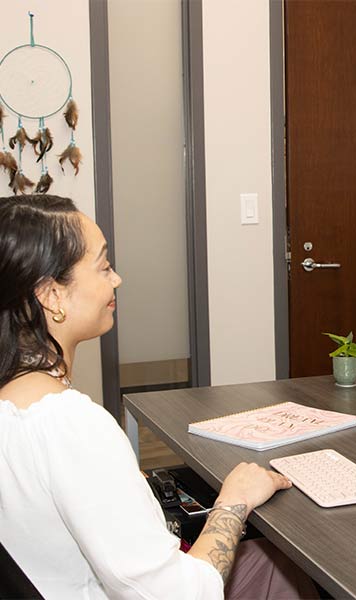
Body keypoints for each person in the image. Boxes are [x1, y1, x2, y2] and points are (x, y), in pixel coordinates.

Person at [0, 195, 319, 598]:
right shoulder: (71, 425)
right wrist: (234, 501)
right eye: (103, 266)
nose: (116, 279)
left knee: (275, 563)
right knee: (283, 568)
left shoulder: (14, 401)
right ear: (52, 296)